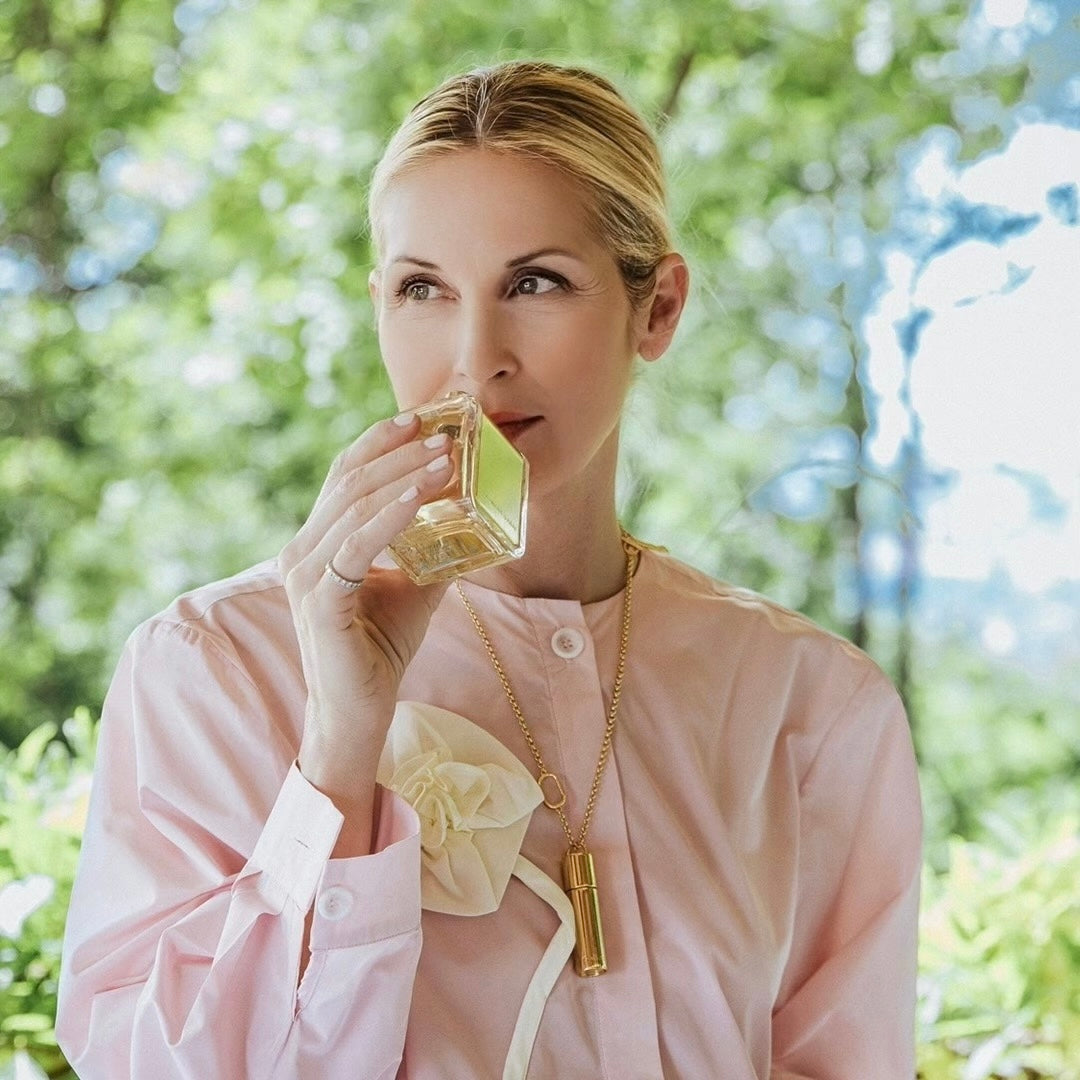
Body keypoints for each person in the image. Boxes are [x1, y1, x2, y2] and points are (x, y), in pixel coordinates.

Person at [56, 60, 922, 1079]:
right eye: (422, 289)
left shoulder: (812, 706)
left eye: (535, 282)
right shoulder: (213, 670)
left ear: (657, 308)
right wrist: (340, 747)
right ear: (379, 305)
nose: (476, 358)